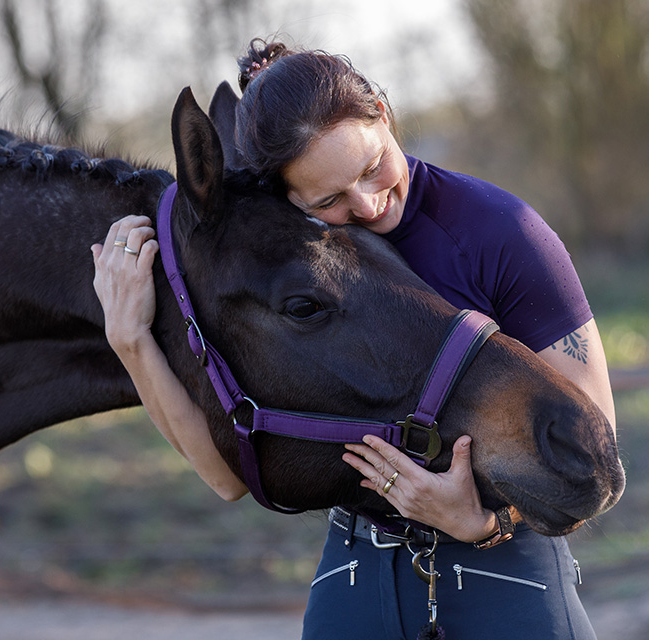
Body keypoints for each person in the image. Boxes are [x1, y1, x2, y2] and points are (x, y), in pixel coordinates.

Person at [91, 38, 616, 640]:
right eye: (330, 198)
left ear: (383, 115)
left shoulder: (502, 231)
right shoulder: (306, 263)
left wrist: (479, 523)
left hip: (504, 571)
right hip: (357, 573)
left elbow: (588, 454)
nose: (367, 204)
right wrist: (129, 338)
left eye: (372, 167)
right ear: (290, 198)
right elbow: (227, 478)